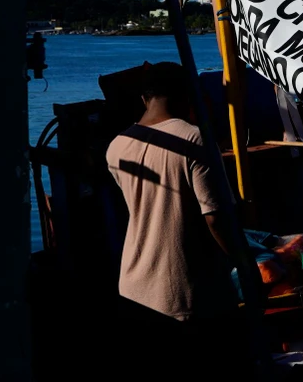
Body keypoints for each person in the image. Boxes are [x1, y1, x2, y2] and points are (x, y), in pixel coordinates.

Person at [105, 61, 249, 380]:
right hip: (186, 295)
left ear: (144, 98)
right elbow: (215, 219)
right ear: (188, 95)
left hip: (133, 289)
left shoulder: (116, 147)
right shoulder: (193, 139)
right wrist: (246, 267)